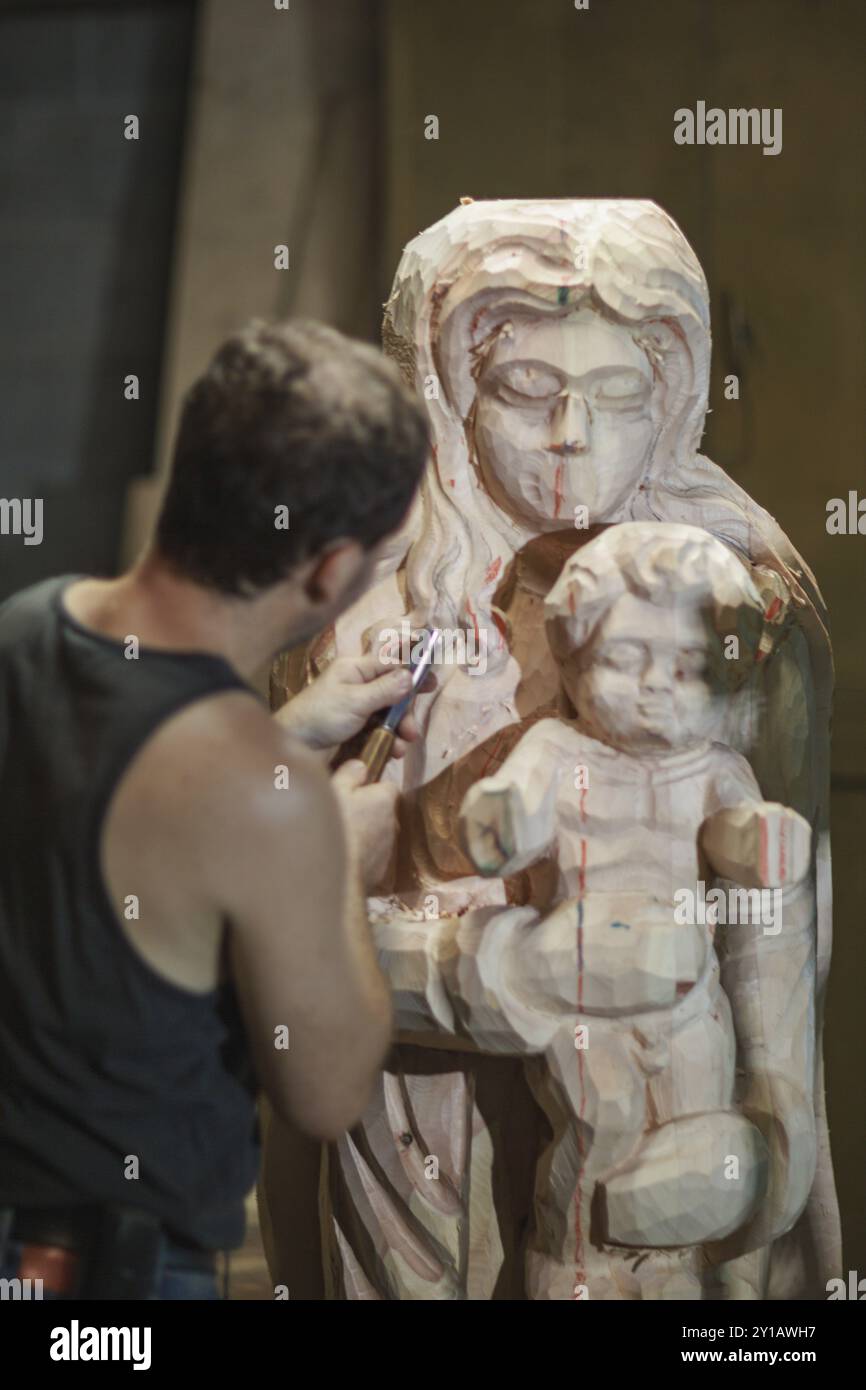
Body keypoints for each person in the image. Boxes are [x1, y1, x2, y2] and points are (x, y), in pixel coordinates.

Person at [0, 317, 429, 1300]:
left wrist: (286, 737)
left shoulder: (28, 625)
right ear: (327, 571)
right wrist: (339, 871)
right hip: (110, 1279)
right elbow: (323, 1091)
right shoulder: (265, 805)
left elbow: (133, 802)